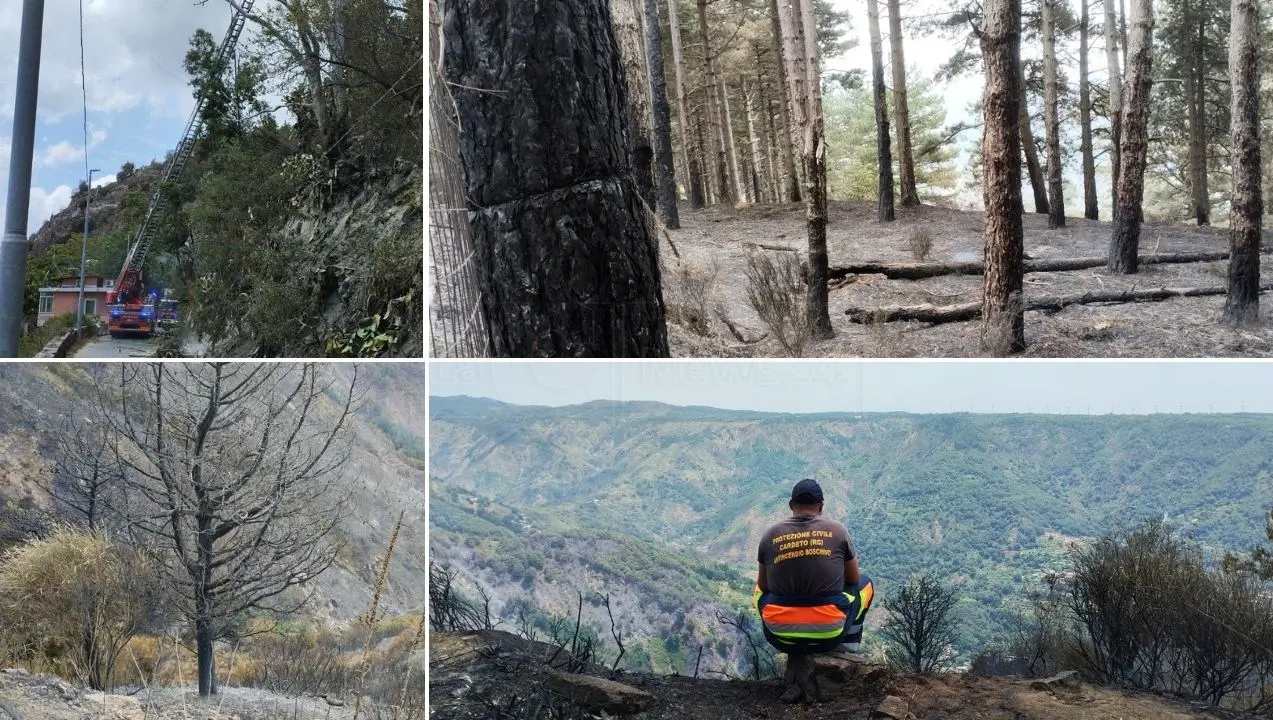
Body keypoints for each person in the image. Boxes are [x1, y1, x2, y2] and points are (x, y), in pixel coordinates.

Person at [754, 478, 874, 703]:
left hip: (781, 635)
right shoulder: (837, 530)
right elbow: (854, 578)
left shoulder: (770, 534)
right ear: (821, 505)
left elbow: (763, 586)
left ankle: (796, 657)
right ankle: (846, 645)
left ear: (791, 505)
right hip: (828, 634)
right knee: (865, 584)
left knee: (758, 591)